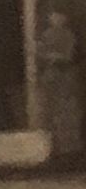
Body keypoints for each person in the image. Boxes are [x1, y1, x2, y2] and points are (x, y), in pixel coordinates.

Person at [37, 11, 82, 156]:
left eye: (59, 16)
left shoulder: (68, 36)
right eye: (53, 16)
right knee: (50, 111)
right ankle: (52, 147)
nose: (55, 19)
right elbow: (40, 53)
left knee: (66, 112)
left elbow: (67, 56)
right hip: (51, 78)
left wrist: (55, 57)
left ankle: (68, 148)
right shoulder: (46, 35)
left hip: (64, 76)